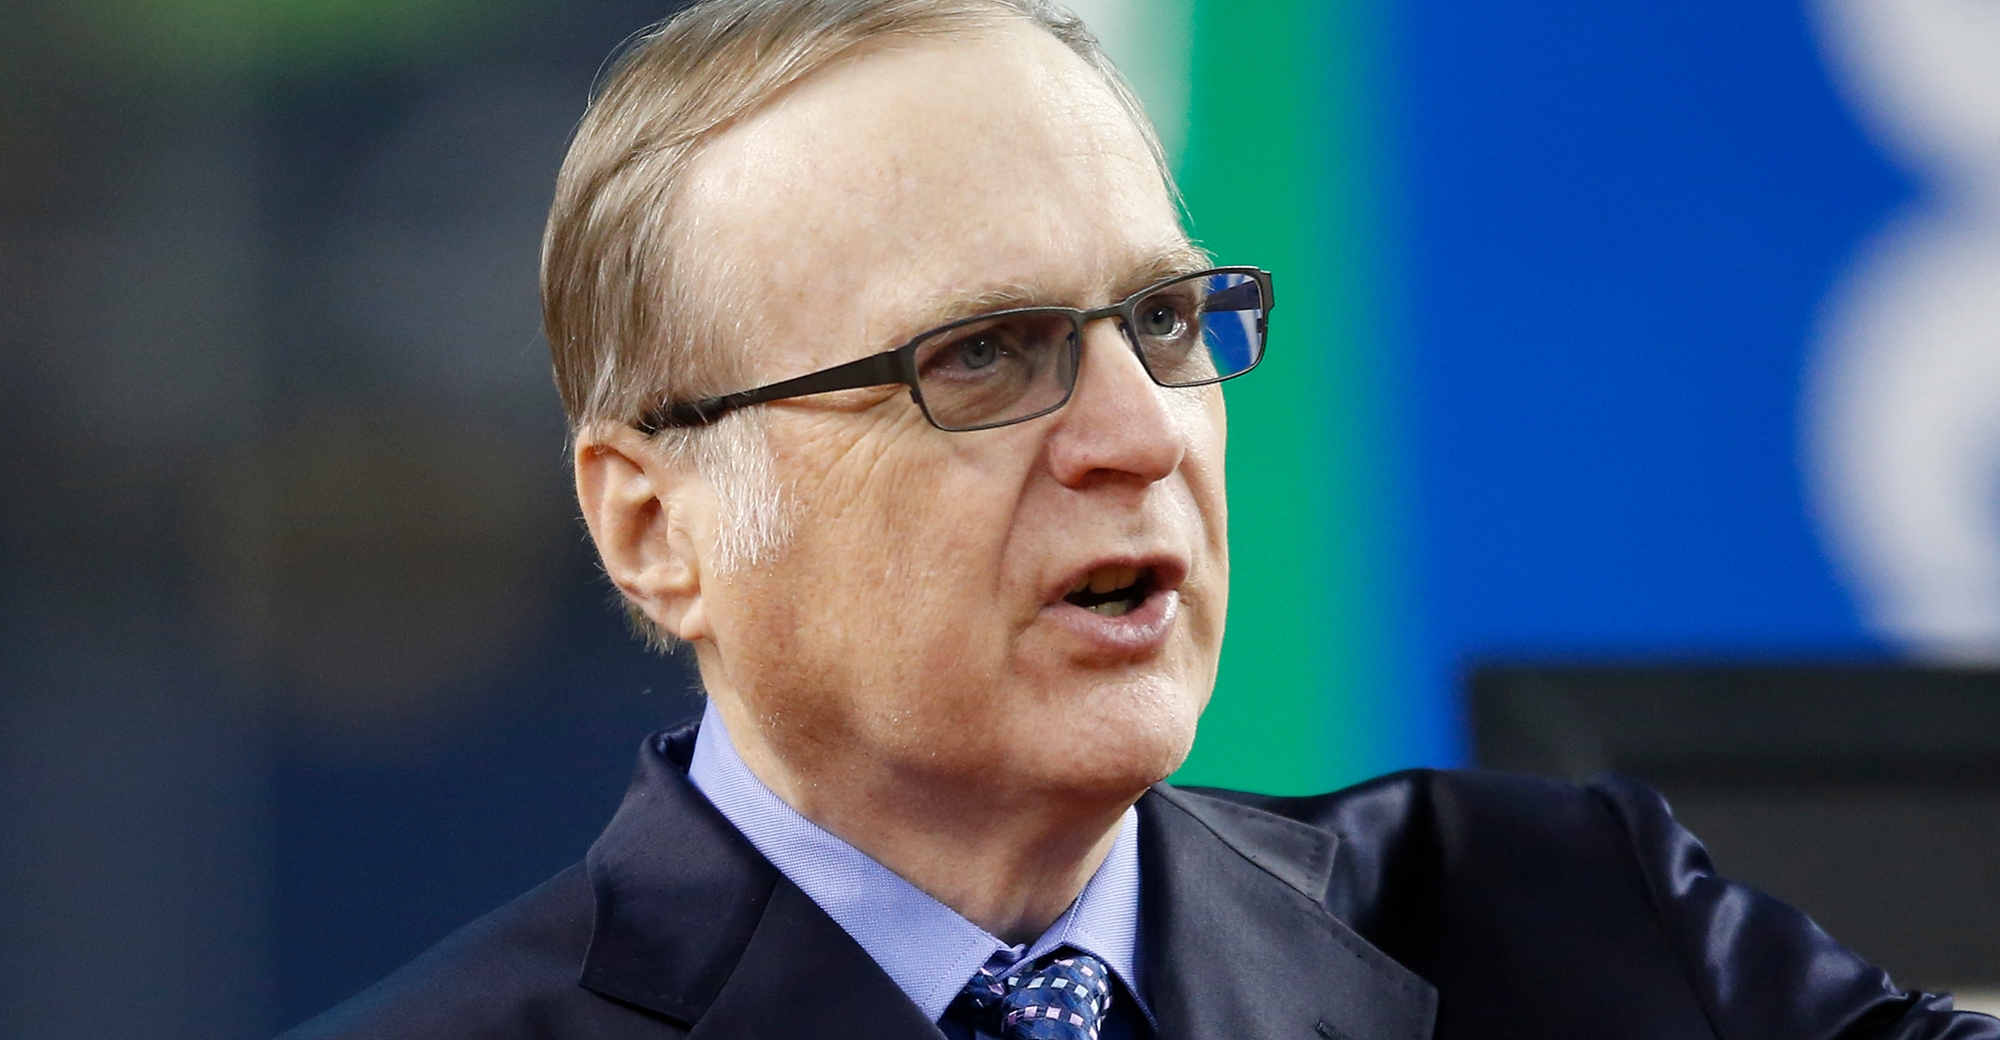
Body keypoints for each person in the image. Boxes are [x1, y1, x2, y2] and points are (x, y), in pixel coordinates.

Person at [279, 1, 1998, 1038]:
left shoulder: (1570, 921)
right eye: (981, 355)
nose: (1136, 434)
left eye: (1169, 323)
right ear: (656, 525)